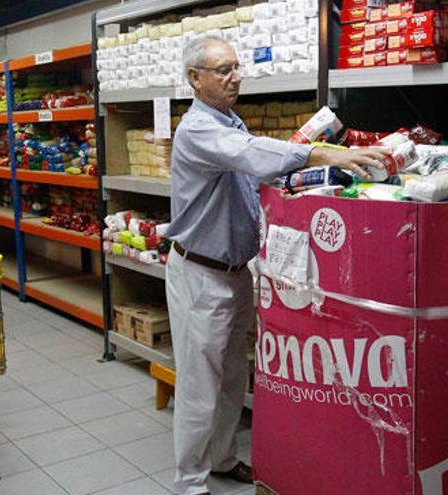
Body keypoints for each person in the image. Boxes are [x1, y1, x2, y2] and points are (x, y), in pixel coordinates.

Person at [164, 36, 388, 495]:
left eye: (236, 67)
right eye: (223, 70)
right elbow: (249, 155)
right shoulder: (198, 130)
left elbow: (259, 168)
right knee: (199, 382)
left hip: (235, 271)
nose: (236, 77)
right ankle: (189, 482)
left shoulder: (231, 121)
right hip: (199, 274)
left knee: (231, 377)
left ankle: (223, 458)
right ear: (195, 79)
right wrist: (324, 153)